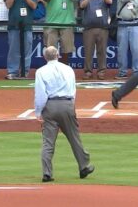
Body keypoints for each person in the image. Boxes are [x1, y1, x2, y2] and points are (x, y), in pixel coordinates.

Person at [34, 46, 94, 182]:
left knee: (48, 142)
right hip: (67, 104)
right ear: (58, 55)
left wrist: (38, 111)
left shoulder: (41, 71)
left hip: (50, 106)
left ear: (45, 57)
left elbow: (40, 94)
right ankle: (84, 166)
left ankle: (47, 173)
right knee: (74, 137)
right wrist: (71, 106)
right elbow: (73, 90)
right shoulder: (68, 69)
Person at [43, 0, 78, 64]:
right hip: (51, 22)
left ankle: (64, 69)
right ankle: (50, 70)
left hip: (67, 22)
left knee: (67, 50)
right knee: (50, 50)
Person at [79, 0, 112, 80]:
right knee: (88, 51)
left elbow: (110, 2)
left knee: (101, 51)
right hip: (89, 29)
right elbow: (82, 6)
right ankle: (88, 72)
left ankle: (101, 71)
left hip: (102, 28)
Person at [4, 0, 36, 79]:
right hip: (14, 25)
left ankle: (25, 71)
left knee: (27, 49)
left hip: (27, 25)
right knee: (13, 49)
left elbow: (34, 6)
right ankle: (12, 71)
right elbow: (8, 5)